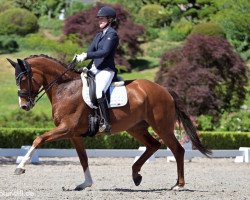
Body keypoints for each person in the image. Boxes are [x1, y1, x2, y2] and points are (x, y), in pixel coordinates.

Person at [74, 6, 119, 133]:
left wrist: (87, 55)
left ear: (110, 20)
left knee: (99, 92)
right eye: (99, 18)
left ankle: (106, 123)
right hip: (94, 68)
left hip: (106, 70)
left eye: (102, 19)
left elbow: (104, 52)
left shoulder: (112, 35)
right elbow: (90, 51)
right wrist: (81, 57)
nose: (99, 20)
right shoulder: (99, 35)